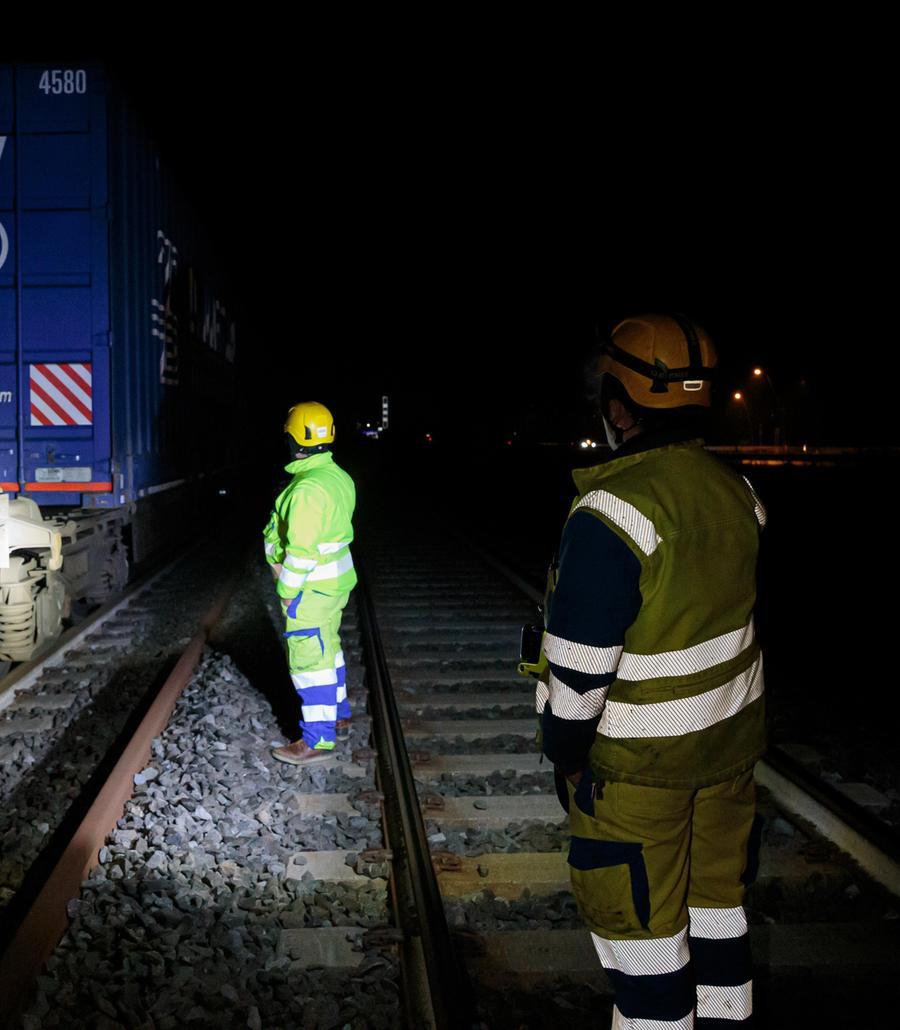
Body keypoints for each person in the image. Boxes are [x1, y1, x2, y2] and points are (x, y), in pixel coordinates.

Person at [538, 314, 766, 1028]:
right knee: (718, 923)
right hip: (728, 766)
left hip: (636, 779)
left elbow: (578, 682)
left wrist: (567, 760)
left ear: (617, 404)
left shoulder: (610, 513)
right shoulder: (740, 495)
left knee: (648, 967)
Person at [264, 401, 358, 766]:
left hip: (310, 589)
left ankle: (317, 740)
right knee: (328, 647)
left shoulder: (304, 491)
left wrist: (286, 592)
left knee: (308, 659)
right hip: (334, 585)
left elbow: (300, 554)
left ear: (291, 439)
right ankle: (337, 712)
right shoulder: (338, 477)